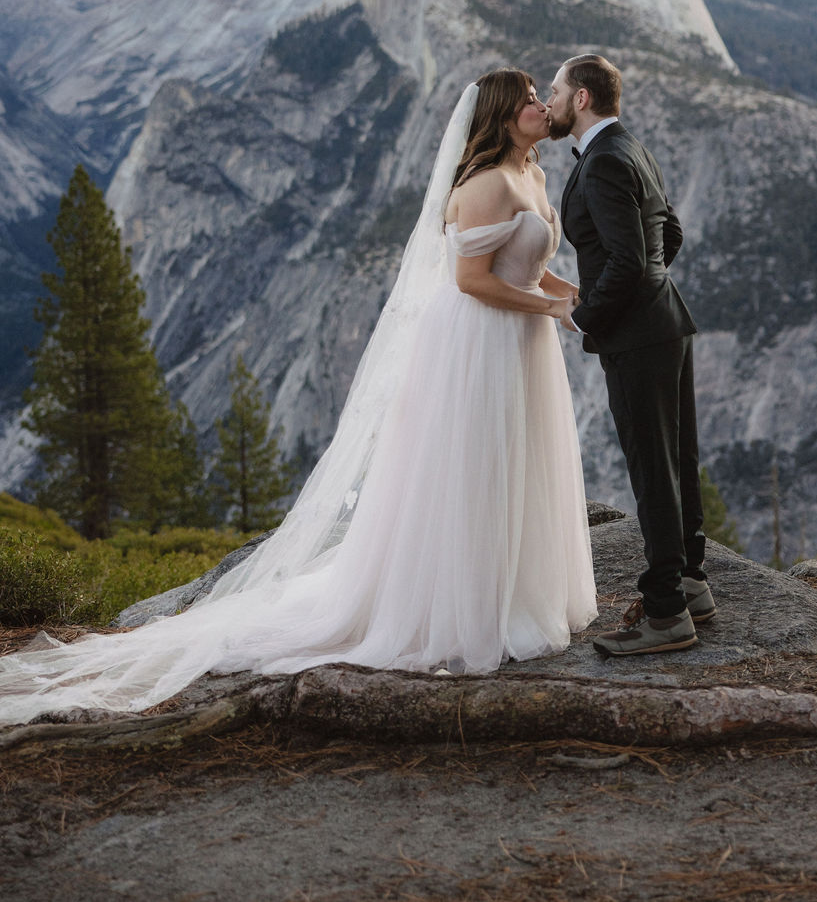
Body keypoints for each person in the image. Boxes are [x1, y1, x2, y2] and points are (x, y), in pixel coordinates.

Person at [0, 69, 597, 726]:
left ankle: (510, 589)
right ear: (504, 115)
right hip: (481, 341)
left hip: (521, 340)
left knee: (517, 460)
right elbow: (470, 280)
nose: (544, 104)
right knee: (476, 463)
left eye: (543, 95)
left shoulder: (534, 174)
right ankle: (470, 603)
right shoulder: (484, 184)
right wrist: (548, 306)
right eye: (531, 98)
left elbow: (526, 261)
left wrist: (571, 295)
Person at [545, 54, 714, 657]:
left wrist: (582, 313)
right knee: (676, 459)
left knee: (652, 469)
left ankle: (666, 611)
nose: (550, 100)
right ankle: (691, 582)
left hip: (640, 339)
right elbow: (669, 236)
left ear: (582, 98)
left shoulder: (604, 162)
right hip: (665, 326)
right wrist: (651, 295)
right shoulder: (629, 148)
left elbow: (630, 261)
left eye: (557, 89)